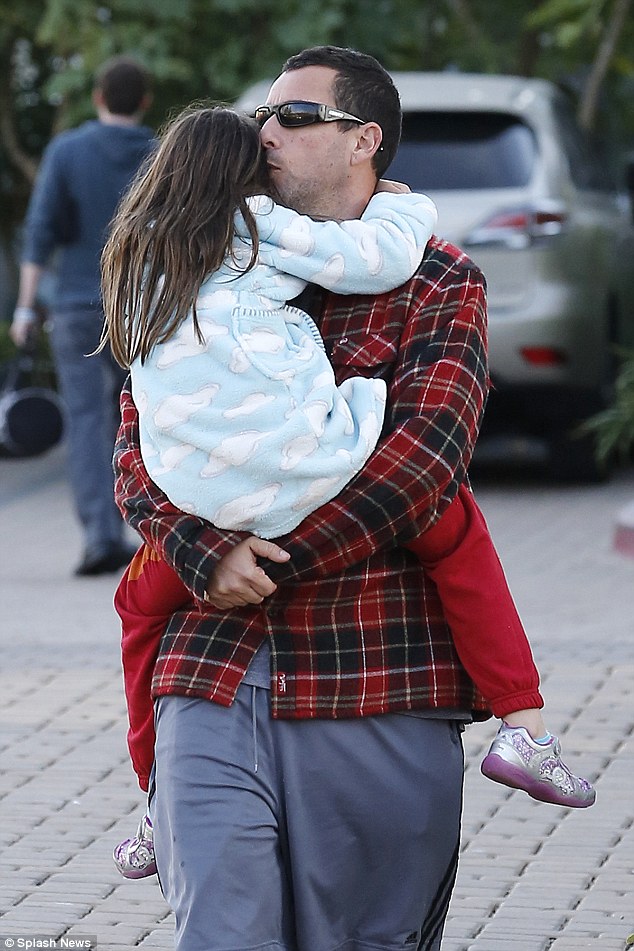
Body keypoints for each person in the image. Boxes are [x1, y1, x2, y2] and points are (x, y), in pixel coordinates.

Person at [111, 47, 594, 951]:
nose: (266, 132)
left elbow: (420, 467)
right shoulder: (198, 258)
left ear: (364, 138)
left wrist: (260, 556)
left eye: (294, 118)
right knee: (222, 934)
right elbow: (136, 453)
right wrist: (199, 553)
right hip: (211, 669)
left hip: (376, 676)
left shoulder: (439, 281)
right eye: (263, 115)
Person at [10, 56, 155, 576]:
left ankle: (99, 537)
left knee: (88, 420)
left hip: (75, 305)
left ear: (98, 97)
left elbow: (41, 231)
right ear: (144, 101)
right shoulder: (160, 154)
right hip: (144, 309)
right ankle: (156, 540)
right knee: (146, 422)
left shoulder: (67, 151)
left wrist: (26, 307)